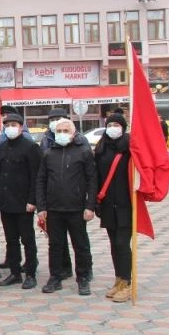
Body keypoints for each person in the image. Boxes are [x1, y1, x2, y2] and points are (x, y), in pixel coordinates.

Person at [37, 119, 97, 296]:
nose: (62, 133)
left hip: (77, 208)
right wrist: (41, 207)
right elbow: (41, 180)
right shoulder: (48, 153)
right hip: (54, 209)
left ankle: (83, 278)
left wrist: (90, 206)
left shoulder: (84, 152)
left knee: (81, 245)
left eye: (66, 130)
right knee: (55, 245)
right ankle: (55, 277)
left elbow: (92, 180)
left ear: (73, 133)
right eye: (59, 130)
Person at [0, 114, 42, 289]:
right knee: (11, 240)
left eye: (13, 124)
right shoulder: (1, 147)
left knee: (27, 239)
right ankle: (15, 273)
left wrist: (33, 200)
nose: (10, 127)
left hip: (24, 203)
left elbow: (36, 176)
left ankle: (30, 273)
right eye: (7, 125)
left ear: (21, 127)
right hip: (6, 202)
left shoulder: (31, 147)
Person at [94, 113, 133, 302]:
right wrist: (96, 201)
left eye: (117, 124)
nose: (113, 128)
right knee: (113, 245)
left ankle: (127, 282)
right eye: (110, 124)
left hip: (127, 204)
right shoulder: (101, 148)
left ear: (123, 127)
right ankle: (118, 279)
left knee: (122, 244)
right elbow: (97, 177)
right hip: (108, 204)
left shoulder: (130, 147)